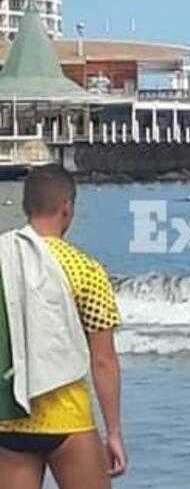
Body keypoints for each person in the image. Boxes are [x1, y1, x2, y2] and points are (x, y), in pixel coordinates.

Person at [0, 165, 127, 489]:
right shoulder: (85, 269)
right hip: (67, 420)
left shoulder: (3, 258)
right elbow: (103, 360)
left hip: (9, 420)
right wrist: (112, 433)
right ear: (67, 208)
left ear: (27, 206)